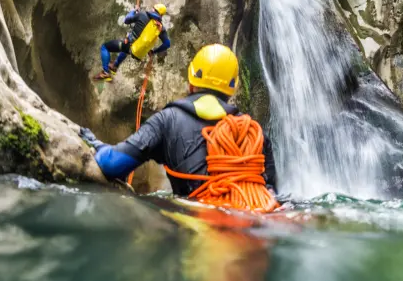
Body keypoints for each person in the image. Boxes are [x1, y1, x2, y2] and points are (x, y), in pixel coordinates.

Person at [80, 44, 277, 195]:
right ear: (232, 89)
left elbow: (112, 164)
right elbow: (271, 193)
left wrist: (97, 144)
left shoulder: (167, 121)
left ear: (191, 81)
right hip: (253, 227)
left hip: (197, 226)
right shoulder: (254, 132)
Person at [93, 3, 171, 81]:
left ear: (154, 9)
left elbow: (126, 20)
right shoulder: (160, 27)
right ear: (161, 15)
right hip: (138, 53)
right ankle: (114, 66)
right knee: (127, 46)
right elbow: (167, 44)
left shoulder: (142, 14)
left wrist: (133, 11)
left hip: (129, 45)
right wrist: (153, 52)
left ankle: (106, 73)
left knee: (105, 47)